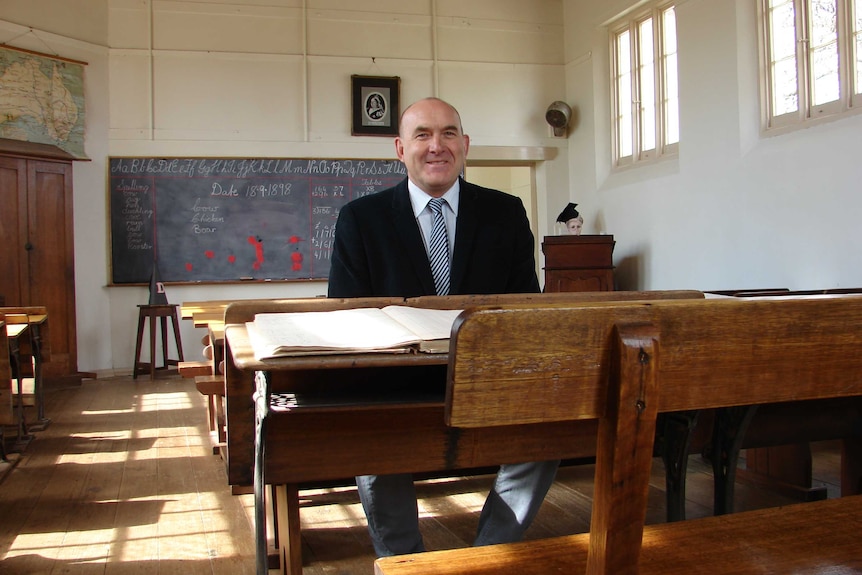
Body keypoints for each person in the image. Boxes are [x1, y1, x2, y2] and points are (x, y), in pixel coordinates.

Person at [328, 97, 560, 557]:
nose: (437, 146)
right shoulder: (361, 219)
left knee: (550, 430)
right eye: (422, 135)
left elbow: (525, 307)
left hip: (487, 379)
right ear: (399, 148)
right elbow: (346, 315)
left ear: (466, 144)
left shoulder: (506, 213)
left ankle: (487, 555)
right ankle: (404, 561)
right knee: (371, 439)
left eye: (449, 133)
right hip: (396, 384)